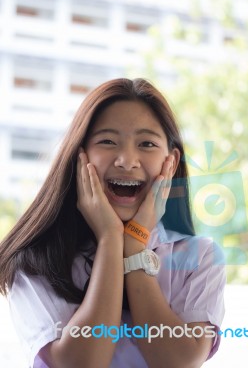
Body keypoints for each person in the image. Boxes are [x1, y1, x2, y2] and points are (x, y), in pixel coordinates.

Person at [0, 78, 226, 368]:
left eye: (147, 144)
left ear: (170, 161)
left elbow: (178, 360)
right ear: (79, 156)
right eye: (107, 141)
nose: (127, 160)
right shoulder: (33, 261)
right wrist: (110, 238)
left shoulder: (200, 257)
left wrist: (134, 245)